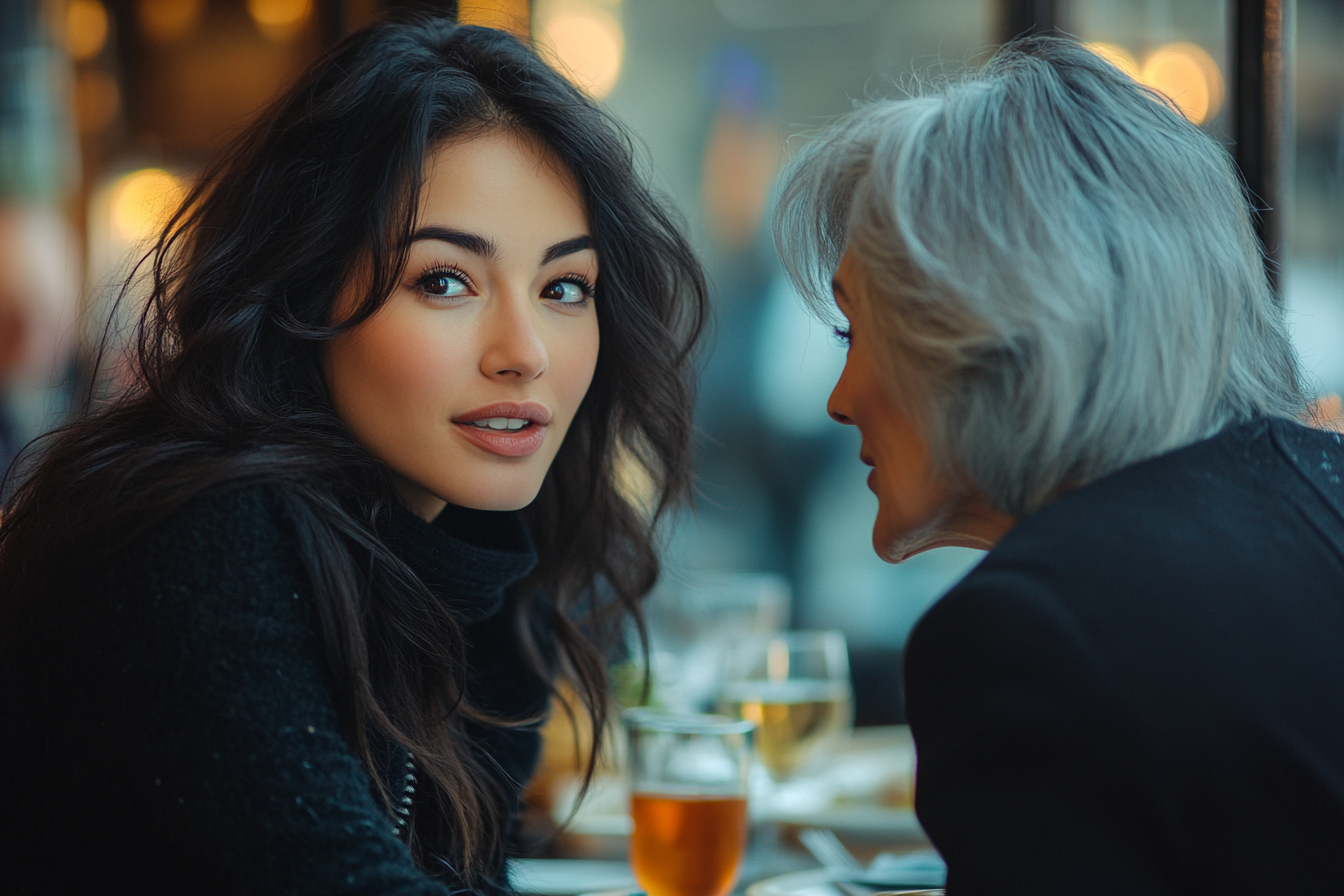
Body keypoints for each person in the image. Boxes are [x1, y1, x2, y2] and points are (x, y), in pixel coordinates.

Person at [0, 13, 705, 895]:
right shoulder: (196, 536)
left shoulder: (468, 546)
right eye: (444, 280)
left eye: (565, 286)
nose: (525, 350)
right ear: (300, 291)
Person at [775, 36, 1344, 894]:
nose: (837, 397)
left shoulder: (1034, 632)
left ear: (979, 335)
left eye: (851, 332)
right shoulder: (1321, 497)